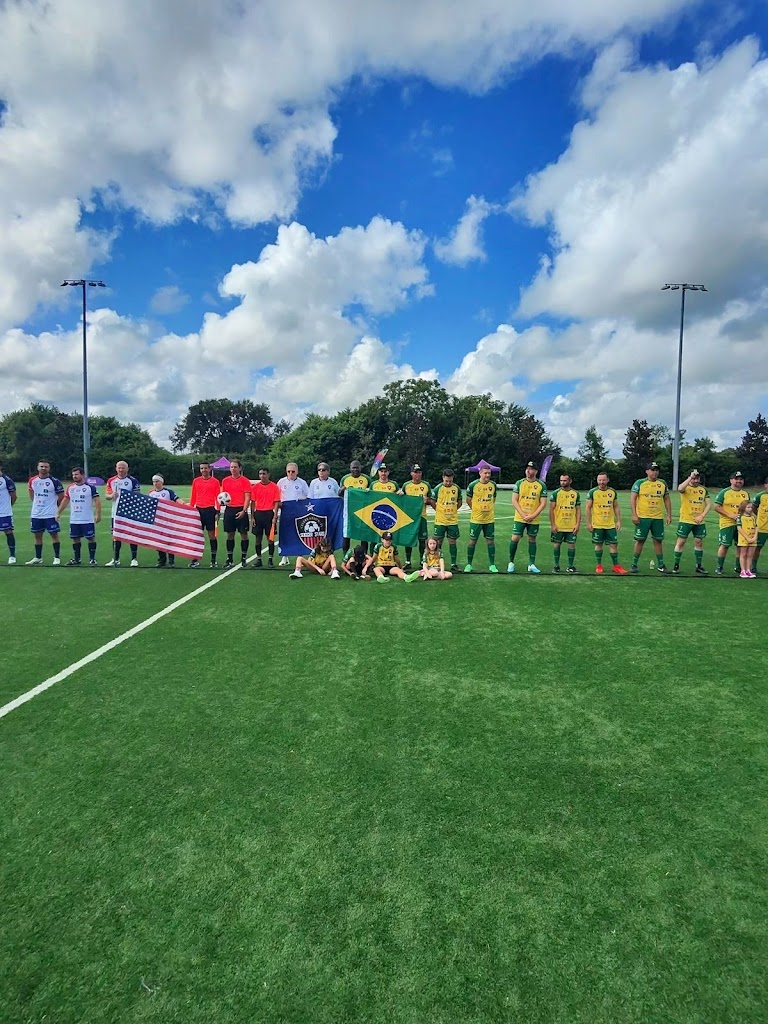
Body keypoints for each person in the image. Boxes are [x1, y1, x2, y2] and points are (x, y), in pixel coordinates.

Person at [629, 461, 672, 573]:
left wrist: (669, 514)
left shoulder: (662, 483)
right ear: (647, 471)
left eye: (657, 470)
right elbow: (633, 499)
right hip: (643, 517)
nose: (655, 472)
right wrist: (634, 514)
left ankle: (661, 564)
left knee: (658, 540)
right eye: (652, 470)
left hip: (657, 518)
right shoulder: (639, 483)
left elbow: (666, 499)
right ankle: (634, 564)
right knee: (640, 540)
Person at [508, 461, 547, 574]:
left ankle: (531, 564)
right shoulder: (520, 483)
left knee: (532, 539)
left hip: (534, 518)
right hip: (520, 517)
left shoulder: (541, 485)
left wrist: (533, 515)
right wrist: (523, 514)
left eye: (531, 469)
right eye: (527, 469)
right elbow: (514, 500)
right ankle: (511, 562)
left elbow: (543, 503)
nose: (528, 471)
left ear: (535, 471)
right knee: (515, 538)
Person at [57, 467, 101, 565]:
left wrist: (98, 514)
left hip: (87, 519)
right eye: (73, 475)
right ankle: (77, 559)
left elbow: (97, 501)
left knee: (91, 538)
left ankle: (92, 559)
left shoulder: (90, 488)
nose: (74, 476)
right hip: (74, 519)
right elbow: (65, 500)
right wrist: (58, 512)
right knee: (75, 538)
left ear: (82, 475)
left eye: (76, 474)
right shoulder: (70, 488)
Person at [585, 472, 628, 574]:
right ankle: (599, 565)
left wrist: (618, 520)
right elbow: (588, 508)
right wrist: (588, 523)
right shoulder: (592, 492)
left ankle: (616, 566)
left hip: (610, 524)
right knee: (598, 544)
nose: (601, 482)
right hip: (597, 524)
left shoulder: (612, 492)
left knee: (614, 545)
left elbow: (616, 506)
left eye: (603, 480)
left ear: (607, 480)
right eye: (599, 480)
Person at [672, 469, 711, 575]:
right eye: (694, 477)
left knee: (699, 542)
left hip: (699, 521)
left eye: (697, 477)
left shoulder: (703, 490)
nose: (695, 480)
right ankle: (676, 565)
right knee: (681, 542)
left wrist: (702, 515)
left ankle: (698, 566)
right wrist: (690, 477)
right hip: (686, 520)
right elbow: (679, 488)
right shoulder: (686, 487)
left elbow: (708, 504)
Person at [26, 460, 65, 565]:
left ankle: (56, 557)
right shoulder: (32, 480)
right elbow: (31, 493)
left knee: (54, 535)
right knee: (37, 535)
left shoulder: (55, 481)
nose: (43, 468)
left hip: (50, 514)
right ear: (38, 467)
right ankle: (38, 557)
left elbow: (61, 496)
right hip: (36, 513)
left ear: (49, 468)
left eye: (46, 467)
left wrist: (55, 507)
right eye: (41, 466)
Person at [713, 471, 750, 575]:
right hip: (727, 523)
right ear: (731, 480)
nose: (739, 481)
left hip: (742, 524)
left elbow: (748, 508)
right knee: (725, 545)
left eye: (741, 479)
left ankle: (739, 567)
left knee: (740, 545)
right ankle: (719, 567)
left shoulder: (745, 494)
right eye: (736, 479)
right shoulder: (724, 492)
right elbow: (716, 507)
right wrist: (730, 515)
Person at [105, 461, 141, 566]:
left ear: (127, 469)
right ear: (116, 469)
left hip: (129, 513)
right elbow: (107, 496)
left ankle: (134, 559)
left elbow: (137, 496)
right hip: (115, 513)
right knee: (116, 536)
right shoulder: (111, 480)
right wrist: (112, 495)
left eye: (123, 468)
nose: (121, 470)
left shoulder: (133, 481)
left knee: (132, 535)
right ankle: (116, 559)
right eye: (119, 468)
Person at [464, 464, 498, 572]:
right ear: (480, 473)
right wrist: (475, 509)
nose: (487, 475)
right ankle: (469, 564)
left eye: (489, 473)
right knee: (472, 541)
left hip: (489, 519)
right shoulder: (473, 485)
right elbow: (468, 500)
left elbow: (493, 498)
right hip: (476, 519)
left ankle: (492, 565)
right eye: (485, 473)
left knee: (490, 542)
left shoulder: (493, 485)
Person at [147, 475, 185, 567]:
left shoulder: (168, 492)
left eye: (157, 481)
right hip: (157, 520)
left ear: (162, 482)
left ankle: (171, 560)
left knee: (169, 540)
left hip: (168, 520)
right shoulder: (151, 493)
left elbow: (177, 500)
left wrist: (185, 505)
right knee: (158, 541)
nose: (155, 483)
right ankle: (162, 560)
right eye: (154, 481)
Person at [189, 461, 222, 568]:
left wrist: (218, 511)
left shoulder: (215, 482)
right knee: (197, 536)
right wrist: (190, 510)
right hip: (198, 511)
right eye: (202, 468)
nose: (204, 470)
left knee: (212, 535)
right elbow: (193, 496)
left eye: (205, 468)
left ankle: (213, 560)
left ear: (209, 469)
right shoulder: (196, 481)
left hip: (210, 511)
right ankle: (195, 559)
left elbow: (218, 498)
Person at [276, 462, 310, 565]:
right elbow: (276, 497)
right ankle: (284, 557)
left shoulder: (302, 483)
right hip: (285, 511)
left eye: (293, 471)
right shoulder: (281, 482)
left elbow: (308, 496)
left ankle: (300, 557)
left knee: (299, 533)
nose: (291, 473)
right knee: (285, 534)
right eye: (289, 471)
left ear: (297, 472)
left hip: (299, 512)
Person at [220, 458, 251, 569]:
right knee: (230, 535)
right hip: (229, 510)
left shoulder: (245, 481)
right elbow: (224, 496)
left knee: (244, 534)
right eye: (231, 467)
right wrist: (222, 503)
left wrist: (244, 510)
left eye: (235, 467)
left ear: (240, 468)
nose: (233, 469)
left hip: (241, 509)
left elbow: (247, 497)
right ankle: (230, 559)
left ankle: (243, 559)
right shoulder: (225, 481)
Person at [399, 464, 431, 568]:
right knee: (409, 538)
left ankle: (422, 561)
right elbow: (400, 498)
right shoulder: (406, 485)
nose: (417, 474)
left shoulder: (426, 485)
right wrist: (399, 494)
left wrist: (428, 500)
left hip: (422, 516)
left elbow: (431, 500)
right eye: (415, 472)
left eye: (419, 472)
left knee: (422, 539)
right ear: (411, 473)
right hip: (409, 517)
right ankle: (408, 561)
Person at [548, 473, 581, 573]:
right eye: (561, 480)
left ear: (570, 481)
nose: (562, 482)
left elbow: (578, 510)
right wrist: (553, 524)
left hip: (571, 526)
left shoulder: (575, 494)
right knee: (557, 545)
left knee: (571, 545)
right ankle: (556, 566)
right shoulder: (555, 493)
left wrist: (577, 524)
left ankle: (570, 566)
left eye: (565, 480)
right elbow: (551, 510)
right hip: (558, 525)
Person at [339, 459, 371, 560]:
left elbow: (372, 494)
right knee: (347, 534)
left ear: (360, 468)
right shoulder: (345, 479)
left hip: (363, 510)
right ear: (350, 468)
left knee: (364, 535)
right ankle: (345, 557)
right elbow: (339, 493)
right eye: (353, 467)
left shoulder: (366, 479)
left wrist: (368, 491)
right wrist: (342, 490)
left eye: (357, 467)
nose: (355, 469)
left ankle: (364, 557)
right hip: (349, 511)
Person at [432, 469, 462, 571]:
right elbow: (432, 501)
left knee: (452, 542)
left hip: (452, 521)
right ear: (443, 478)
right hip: (440, 521)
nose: (448, 483)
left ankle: (453, 564)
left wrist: (453, 511)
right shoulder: (437, 489)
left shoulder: (457, 488)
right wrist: (439, 510)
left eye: (450, 481)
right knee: (438, 542)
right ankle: (436, 563)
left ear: (452, 478)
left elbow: (460, 501)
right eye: (446, 481)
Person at [251, 467, 281, 568]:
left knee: (270, 538)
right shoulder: (255, 487)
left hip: (269, 514)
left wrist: (275, 516)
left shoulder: (274, 487)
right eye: (260, 474)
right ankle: (259, 559)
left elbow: (276, 502)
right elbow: (253, 503)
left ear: (268, 474)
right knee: (258, 538)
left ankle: (270, 559)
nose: (262, 476)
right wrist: (252, 517)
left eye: (264, 474)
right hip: (258, 514)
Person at [0, 460, 17, 564]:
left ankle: (12, 556)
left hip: (4, 512)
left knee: (8, 532)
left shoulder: (7, 480)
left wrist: (8, 506)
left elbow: (14, 496)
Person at [736, 500, 758, 578]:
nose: (750, 509)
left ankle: (748, 570)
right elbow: (739, 528)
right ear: (743, 508)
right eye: (748, 507)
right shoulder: (740, 517)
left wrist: (755, 537)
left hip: (752, 538)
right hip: (744, 539)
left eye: (751, 507)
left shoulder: (753, 517)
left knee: (750, 555)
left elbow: (756, 527)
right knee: (743, 554)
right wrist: (747, 538)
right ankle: (743, 570)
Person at [751, 476, 768, 574]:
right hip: (762, 527)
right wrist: (759, 517)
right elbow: (754, 507)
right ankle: (753, 566)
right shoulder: (760, 496)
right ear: (765, 485)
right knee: (757, 547)